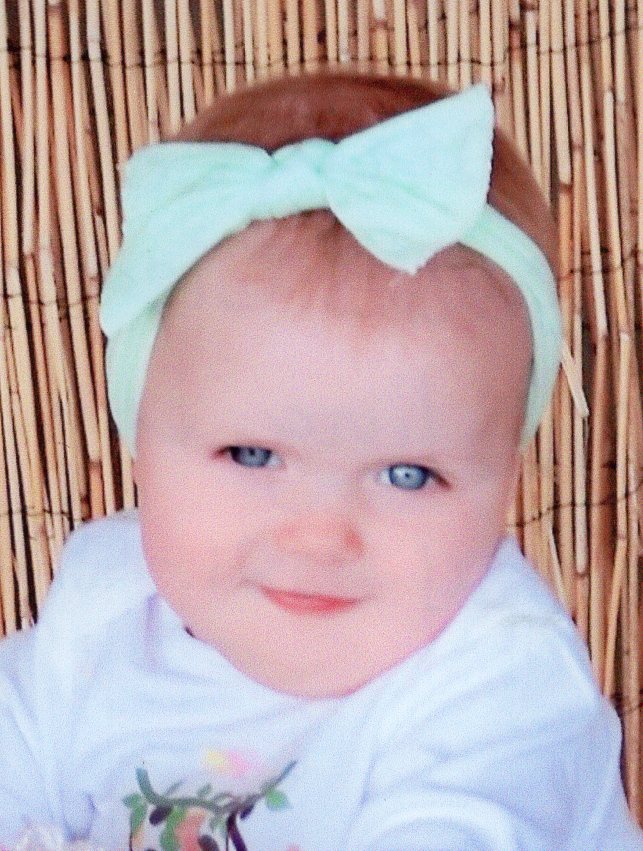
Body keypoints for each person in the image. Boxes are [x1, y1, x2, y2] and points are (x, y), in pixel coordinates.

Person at [0, 68, 641, 851]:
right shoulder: (103, 613)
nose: (318, 535)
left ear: (506, 479)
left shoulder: (502, 683)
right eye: (252, 454)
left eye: (406, 475)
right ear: (141, 440)